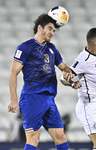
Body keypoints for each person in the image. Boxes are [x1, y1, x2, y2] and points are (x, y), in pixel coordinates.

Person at [8, 13, 81, 150]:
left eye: (54, 30)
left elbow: (64, 67)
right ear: (40, 28)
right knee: (33, 139)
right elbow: (13, 72)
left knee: (61, 137)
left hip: (49, 99)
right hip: (32, 98)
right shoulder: (25, 47)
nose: (52, 32)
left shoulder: (52, 49)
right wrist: (13, 99)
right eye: (50, 28)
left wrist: (72, 78)